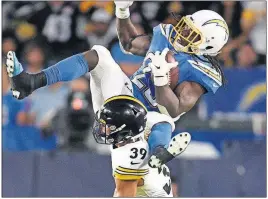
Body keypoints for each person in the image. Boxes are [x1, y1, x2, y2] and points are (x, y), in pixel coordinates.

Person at [5, 1, 228, 168]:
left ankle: (159, 154)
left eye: (193, 34)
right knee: (100, 54)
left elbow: (174, 109)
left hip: (143, 123)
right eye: (187, 25)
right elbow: (129, 43)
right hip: (119, 98)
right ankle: (30, 82)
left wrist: (161, 81)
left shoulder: (199, 70)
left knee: (161, 120)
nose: (184, 32)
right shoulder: (168, 36)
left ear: (207, 46)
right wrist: (122, 11)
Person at [93, 95, 190, 197]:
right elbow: (163, 122)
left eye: (107, 126)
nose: (101, 130)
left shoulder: (129, 156)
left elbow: (124, 195)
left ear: (123, 129)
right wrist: (159, 148)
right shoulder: (140, 128)